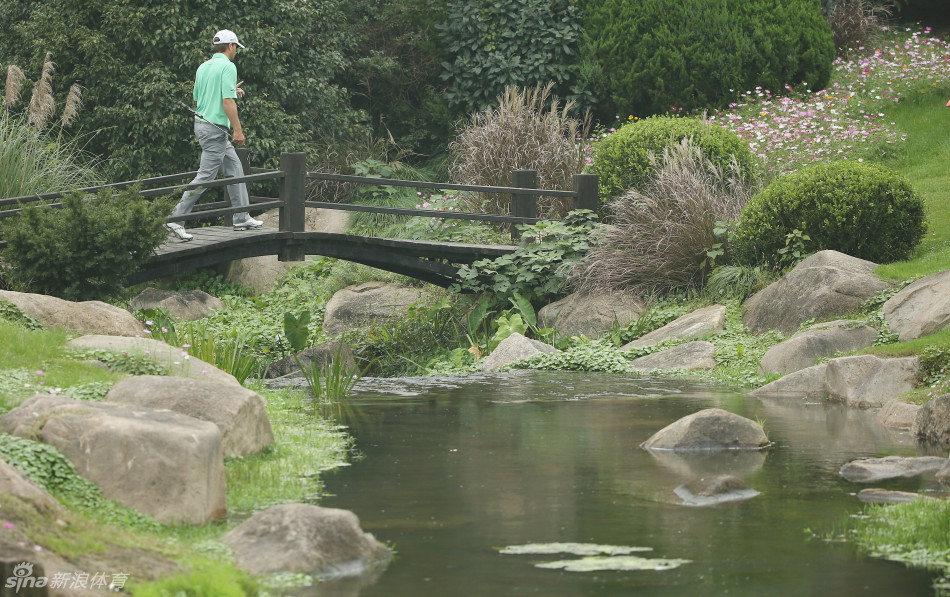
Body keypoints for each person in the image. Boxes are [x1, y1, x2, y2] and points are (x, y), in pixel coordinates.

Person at [166, 29, 262, 241]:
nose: (236, 51)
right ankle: (176, 219)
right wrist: (238, 130)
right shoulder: (228, 66)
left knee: (235, 168)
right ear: (230, 46)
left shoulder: (203, 67)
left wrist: (230, 90)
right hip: (215, 130)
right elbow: (227, 102)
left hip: (203, 126)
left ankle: (242, 217)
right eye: (236, 47)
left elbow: (200, 101)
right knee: (205, 176)